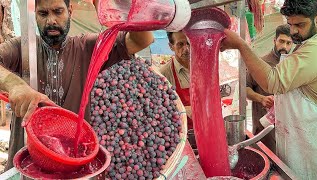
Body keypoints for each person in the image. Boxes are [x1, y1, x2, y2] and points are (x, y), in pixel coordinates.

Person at [1, 0, 153, 170]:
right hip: (27, 156)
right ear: (35, 15)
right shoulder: (22, 48)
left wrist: (124, 7)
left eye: (58, 12)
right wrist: (15, 85)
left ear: (70, 11)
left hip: (71, 159)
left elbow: (141, 40)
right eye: (43, 14)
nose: (51, 20)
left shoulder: (86, 47)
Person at [221, 0, 317, 178]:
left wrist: (241, 45)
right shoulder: (306, 42)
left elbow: (272, 82)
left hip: (311, 148)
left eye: (300, 25)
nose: (293, 31)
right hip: (297, 141)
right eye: (290, 24)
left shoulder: (315, 49)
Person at [246, 24, 293, 153]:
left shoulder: (293, 65)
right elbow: (245, 88)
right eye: (281, 41)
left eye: (289, 43)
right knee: (265, 158)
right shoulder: (261, 63)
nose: (284, 46)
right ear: (274, 40)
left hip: (286, 127)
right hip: (264, 127)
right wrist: (261, 98)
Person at [159, 31, 193, 129]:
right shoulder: (164, 74)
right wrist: (183, 109)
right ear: (171, 46)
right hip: (181, 131)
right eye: (180, 44)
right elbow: (160, 108)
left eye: (189, 43)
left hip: (205, 128)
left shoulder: (202, 68)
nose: (186, 49)